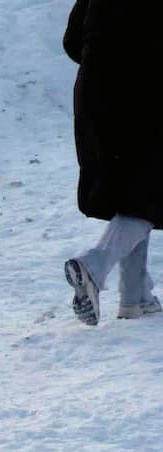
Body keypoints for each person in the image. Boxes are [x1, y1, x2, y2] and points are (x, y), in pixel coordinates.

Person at [62, 0, 163, 325]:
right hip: (141, 97)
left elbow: (72, 41)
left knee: (133, 192)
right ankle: (94, 266)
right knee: (152, 192)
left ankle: (135, 299)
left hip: (93, 95)